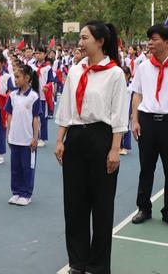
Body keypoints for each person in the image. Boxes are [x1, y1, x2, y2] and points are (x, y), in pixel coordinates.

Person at [55, 21, 128, 274]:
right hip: (75, 137)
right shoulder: (75, 71)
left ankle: (97, 266)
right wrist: (60, 139)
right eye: (80, 37)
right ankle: (77, 261)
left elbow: (119, 113)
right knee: (74, 204)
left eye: (85, 37)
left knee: (102, 205)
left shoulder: (115, 73)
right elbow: (66, 106)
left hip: (101, 138)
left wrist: (115, 148)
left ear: (100, 42)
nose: (80, 42)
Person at [130, 24, 168, 225]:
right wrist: (135, 120)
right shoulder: (144, 67)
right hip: (147, 121)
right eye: (149, 40)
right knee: (146, 168)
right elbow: (137, 94)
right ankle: (143, 208)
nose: (150, 43)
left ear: (166, 41)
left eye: (154, 39)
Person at [5, 64, 40, 206]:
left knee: (27, 167)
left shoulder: (33, 96)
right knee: (15, 168)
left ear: (27, 78)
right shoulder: (12, 95)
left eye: (18, 77)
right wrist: (9, 134)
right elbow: (9, 115)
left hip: (27, 140)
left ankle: (26, 194)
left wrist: (35, 138)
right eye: (14, 77)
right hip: (15, 138)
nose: (15, 80)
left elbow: (36, 118)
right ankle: (16, 192)